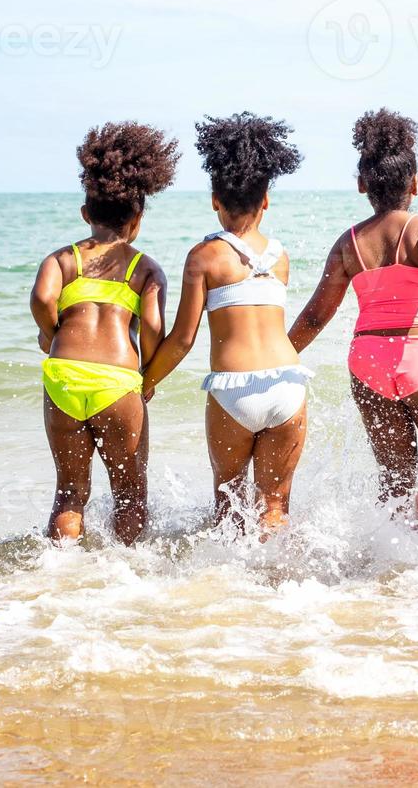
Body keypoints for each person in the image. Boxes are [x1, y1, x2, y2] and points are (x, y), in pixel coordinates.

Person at [289, 109, 418, 533]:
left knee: (394, 475)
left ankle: (388, 563)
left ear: (362, 184)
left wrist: (277, 354)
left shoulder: (348, 242)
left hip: (367, 362)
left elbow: (316, 315)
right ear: (415, 183)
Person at [142, 112, 308, 537]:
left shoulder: (204, 257)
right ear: (266, 199)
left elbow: (182, 338)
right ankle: (280, 592)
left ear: (215, 198)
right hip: (289, 384)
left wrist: (148, 379)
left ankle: (229, 595)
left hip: (234, 390)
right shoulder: (280, 257)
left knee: (229, 510)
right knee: (275, 508)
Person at [30, 121, 178, 546]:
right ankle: (124, 578)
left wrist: (52, 332)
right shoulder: (144, 268)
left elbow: (41, 299)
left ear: (85, 214)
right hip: (117, 382)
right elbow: (152, 327)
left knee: (70, 493)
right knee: (130, 496)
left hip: (65, 377)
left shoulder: (63, 259)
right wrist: (146, 371)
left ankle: (59, 571)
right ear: (137, 218)